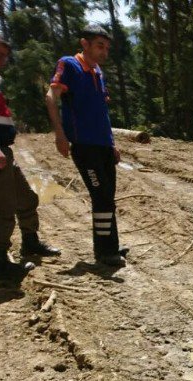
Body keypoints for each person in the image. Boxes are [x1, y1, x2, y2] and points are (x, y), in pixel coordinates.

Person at [44, 24, 126, 268]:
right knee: (100, 195)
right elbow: (51, 97)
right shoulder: (69, 65)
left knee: (107, 197)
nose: (104, 52)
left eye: (107, 47)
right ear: (84, 44)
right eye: (100, 46)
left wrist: (112, 144)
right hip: (83, 145)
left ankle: (109, 245)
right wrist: (60, 134)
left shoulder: (98, 72)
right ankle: (105, 253)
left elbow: (102, 112)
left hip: (103, 145)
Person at [0, 31, 60, 285]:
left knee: (26, 197)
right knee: (2, 208)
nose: (3, 60)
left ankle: (30, 242)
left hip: (1, 152)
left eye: (5, 56)